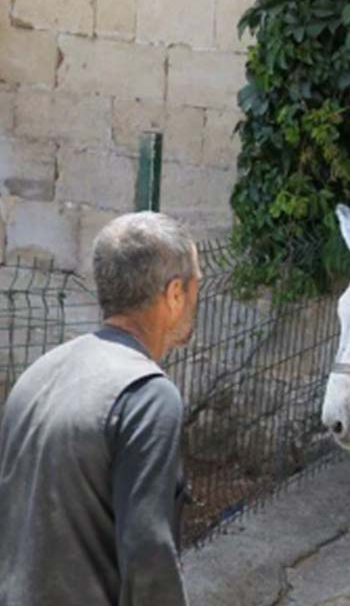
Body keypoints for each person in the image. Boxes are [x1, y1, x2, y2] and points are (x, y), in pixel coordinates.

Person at [0, 212, 200, 606]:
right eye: (196, 286)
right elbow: (148, 552)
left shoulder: (37, 375)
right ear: (175, 294)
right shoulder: (147, 396)